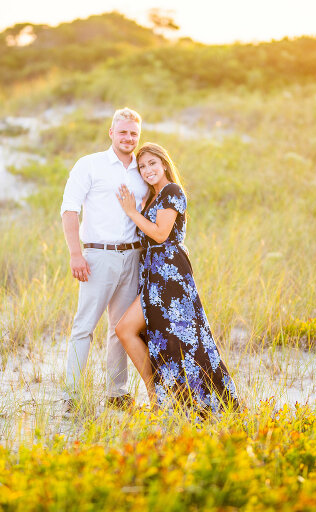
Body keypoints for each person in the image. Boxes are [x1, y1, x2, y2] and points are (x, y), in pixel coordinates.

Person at [115, 142, 240, 413]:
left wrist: (131, 212)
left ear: (164, 164)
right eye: (142, 166)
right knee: (153, 336)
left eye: (152, 164)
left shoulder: (172, 191)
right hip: (153, 273)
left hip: (170, 274)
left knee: (180, 338)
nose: (147, 170)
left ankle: (179, 400)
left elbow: (160, 234)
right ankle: (159, 398)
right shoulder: (153, 197)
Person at [60, 108, 149, 414]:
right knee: (84, 326)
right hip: (98, 255)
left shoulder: (143, 169)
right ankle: (72, 394)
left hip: (133, 255)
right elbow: (69, 209)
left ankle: (117, 392)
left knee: (120, 328)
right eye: (123, 132)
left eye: (134, 133)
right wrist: (76, 254)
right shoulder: (90, 165)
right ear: (111, 132)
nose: (128, 138)